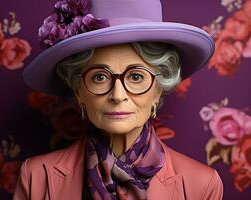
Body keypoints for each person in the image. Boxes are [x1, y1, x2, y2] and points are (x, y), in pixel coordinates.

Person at [14, 0, 223, 199]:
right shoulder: (36, 176)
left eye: (136, 76)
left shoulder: (202, 184)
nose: (117, 95)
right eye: (100, 77)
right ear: (78, 91)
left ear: (158, 89)